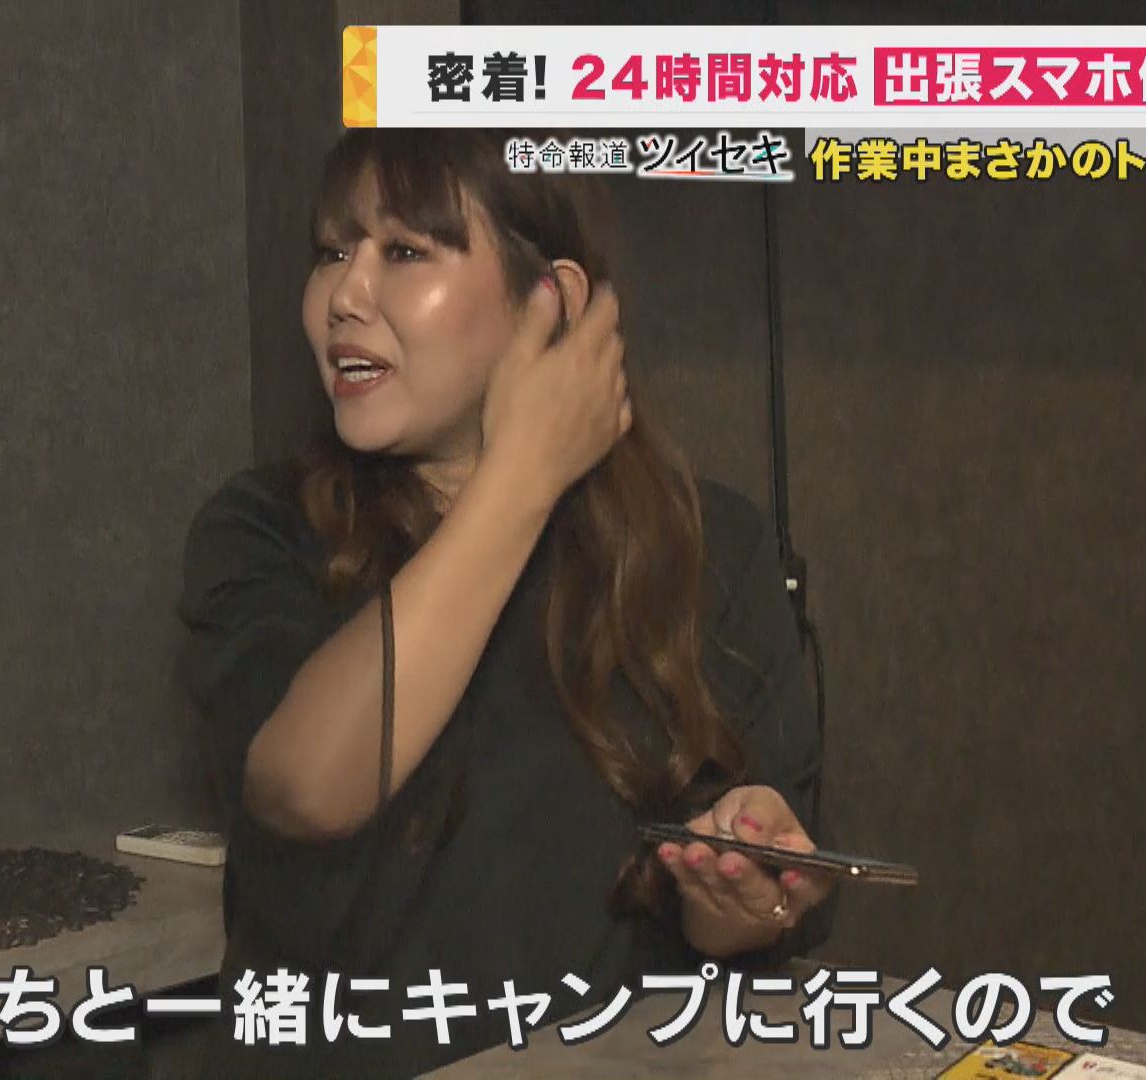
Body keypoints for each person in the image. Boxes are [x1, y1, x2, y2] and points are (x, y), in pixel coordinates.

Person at [176, 128, 837, 1078]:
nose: (344, 297)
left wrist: (737, 894)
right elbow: (308, 783)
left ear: (551, 299)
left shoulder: (710, 545)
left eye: (405, 251)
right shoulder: (264, 530)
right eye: (331, 251)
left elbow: (749, 910)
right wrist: (522, 475)